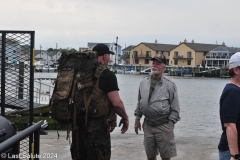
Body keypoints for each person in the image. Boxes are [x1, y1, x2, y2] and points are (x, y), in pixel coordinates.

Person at [70, 44, 129, 160]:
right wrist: (125, 117)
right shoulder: (107, 75)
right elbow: (116, 103)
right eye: (109, 56)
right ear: (105, 56)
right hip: (96, 129)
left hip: (78, 126)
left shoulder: (79, 73)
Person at [134, 54, 180, 160]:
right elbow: (139, 101)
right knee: (150, 156)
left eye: (158, 63)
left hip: (164, 126)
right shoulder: (143, 82)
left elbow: (175, 109)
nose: (154, 65)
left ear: (164, 67)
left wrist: (170, 124)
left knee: (166, 157)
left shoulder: (170, 85)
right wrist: (137, 119)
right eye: (153, 63)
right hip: (148, 125)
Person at [218, 52, 240, 160]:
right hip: (231, 152)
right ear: (236, 70)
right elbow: (229, 125)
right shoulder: (232, 91)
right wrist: (234, 155)